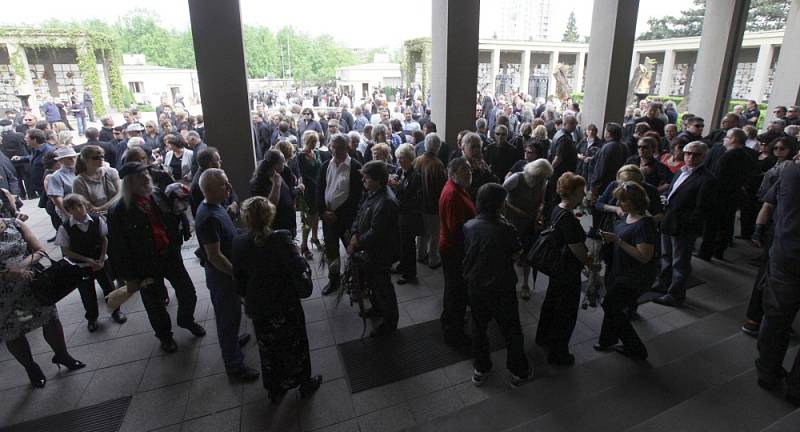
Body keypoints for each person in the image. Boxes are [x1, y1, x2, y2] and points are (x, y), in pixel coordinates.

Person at [232, 196, 322, 403]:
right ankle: (303, 381)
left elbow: (238, 279)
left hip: (260, 308)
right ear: (270, 216)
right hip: (285, 305)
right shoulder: (281, 239)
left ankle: (275, 388)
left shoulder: (238, 243)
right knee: (295, 344)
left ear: (246, 219)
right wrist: (298, 255)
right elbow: (298, 269)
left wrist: (246, 298)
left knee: (268, 349)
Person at [108, 162, 205, 353]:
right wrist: (130, 277)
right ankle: (165, 336)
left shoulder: (157, 195)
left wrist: (181, 232)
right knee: (155, 305)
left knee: (187, 292)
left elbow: (173, 217)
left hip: (170, 255)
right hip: (144, 264)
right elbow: (118, 247)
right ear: (129, 182)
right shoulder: (118, 211)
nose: (146, 178)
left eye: (146, 173)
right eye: (140, 176)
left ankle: (186, 320)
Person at [1, 217, 85, 388]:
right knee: (12, 332)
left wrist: (23, 265)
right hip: (3, 296)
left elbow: (39, 250)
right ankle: (31, 368)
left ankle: (62, 355)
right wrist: (6, 274)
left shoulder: (15, 224)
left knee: (51, 319)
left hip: (33, 285)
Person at [194, 169, 259, 381]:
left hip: (227, 273)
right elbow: (214, 256)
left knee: (232, 316)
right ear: (208, 189)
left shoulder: (216, 207)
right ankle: (234, 365)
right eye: (223, 185)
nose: (229, 188)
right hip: (222, 277)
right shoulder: (208, 217)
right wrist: (236, 275)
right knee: (227, 319)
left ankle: (232, 341)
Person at [464, 183, 530, 388]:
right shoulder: (506, 229)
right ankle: (518, 371)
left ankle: (481, 368)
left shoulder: (469, 225)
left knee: (479, 328)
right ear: (499, 204)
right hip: (501, 286)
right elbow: (517, 254)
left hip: (475, 285)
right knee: (511, 329)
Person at [535, 172, 595, 366]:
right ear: (574, 193)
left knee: (551, 303)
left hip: (557, 268)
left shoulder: (557, 209)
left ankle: (543, 337)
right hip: (567, 271)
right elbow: (576, 248)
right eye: (581, 191)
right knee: (565, 312)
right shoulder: (568, 218)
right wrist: (589, 263)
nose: (584, 194)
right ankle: (558, 352)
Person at [754, 159, 800, 405]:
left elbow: (769, 203)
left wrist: (759, 230)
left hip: (786, 256)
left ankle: (767, 371)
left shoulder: (792, 171)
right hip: (787, 256)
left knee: (775, 318)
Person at [595, 182, 656, 360]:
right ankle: (607, 339)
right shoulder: (627, 216)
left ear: (635, 201)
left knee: (610, 305)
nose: (619, 204)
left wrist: (618, 241)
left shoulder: (645, 224)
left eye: (623, 200)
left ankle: (635, 348)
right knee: (612, 305)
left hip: (634, 276)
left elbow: (644, 256)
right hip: (620, 271)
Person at [652, 141, 716, 307]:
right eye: (688, 153)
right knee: (666, 256)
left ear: (704, 156)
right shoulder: (681, 171)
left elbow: (702, 209)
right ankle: (663, 283)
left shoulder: (707, 179)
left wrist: (687, 226)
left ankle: (676, 295)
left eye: (696, 154)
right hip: (669, 221)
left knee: (679, 262)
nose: (690, 157)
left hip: (683, 227)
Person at [55, 194, 124, 331]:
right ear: (69, 211)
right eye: (74, 208)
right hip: (81, 266)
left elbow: (104, 239)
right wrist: (87, 260)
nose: (80, 210)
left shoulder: (97, 220)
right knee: (87, 293)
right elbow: (66, 251)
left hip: (101, 262)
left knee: (109, 287)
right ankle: (92, 318)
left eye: (81, 206)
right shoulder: (65, 227)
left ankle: (116, 311)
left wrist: (102, 258)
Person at [348, 161, 400, 337]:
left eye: (366, 177)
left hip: (381, 252)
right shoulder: (372, 193)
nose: (363, 180)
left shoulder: (386, 202)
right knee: (373, 284)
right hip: (370, 251)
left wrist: (357, 242)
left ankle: (390, 321)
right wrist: (355, 232)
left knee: (383, 287)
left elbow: (377, 233)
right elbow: (359, 213)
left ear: (378, 180)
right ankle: (378, 308)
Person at [318, 134, 363, 295]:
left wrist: (338, 215)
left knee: (353, 253)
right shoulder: (325, 166)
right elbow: (320, 191)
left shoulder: (356, 167)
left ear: (346, 147)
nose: (335, 150)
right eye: (333, 146)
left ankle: (358, 283)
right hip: (329, 219)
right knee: (331, 252)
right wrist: (324, 211)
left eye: (339, 146)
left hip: (346, 220)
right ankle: (334, 280)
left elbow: (356, 198)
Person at [439, 157, 476, 346]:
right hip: (455, 251)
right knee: (457, 292)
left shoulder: (457, 188)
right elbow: (456, 230)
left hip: (452, 248)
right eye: (464, 169)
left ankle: (448, 319)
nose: (469, 172)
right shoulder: (453, 194)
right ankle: (454, 333)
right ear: (453, 172)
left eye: (469, 169)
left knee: (452, 289)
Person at [503, 159, 553, 300]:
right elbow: (500, 195)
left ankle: (525, 284)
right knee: (510, 253)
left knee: (528, 254)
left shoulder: (543, 182)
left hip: (529, 222)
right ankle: (508, 283)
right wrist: (515, 210)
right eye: (541, 177)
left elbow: (542, 200)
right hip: (512, 221)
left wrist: (541, 208)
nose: (542, 180)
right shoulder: (517, 178)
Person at [415, 133, 447, 269]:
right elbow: (442, 188)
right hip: (433, 205)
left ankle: (420, 255)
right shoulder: (438, 165)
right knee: (434, 234)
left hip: (419, 204)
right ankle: (433, 259)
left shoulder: (417, 160)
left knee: (421, 232)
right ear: (438, 147)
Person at [250, 149, 297, 237]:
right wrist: (276, 185)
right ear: (275, 164)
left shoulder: (280, 173)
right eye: (283, 162)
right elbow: (269, 206)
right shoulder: (259, 182)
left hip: (288, 223)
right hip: (276, 226)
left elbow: (288, 194)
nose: (285, 164)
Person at [394, 144, 423, 284]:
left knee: (408, 246)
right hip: (401, 215)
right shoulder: (400, 172)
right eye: (398, 157)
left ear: (410, 159)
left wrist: (398, 193)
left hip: (409, 216)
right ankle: (402, 266)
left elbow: (416, 199)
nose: (399, 160)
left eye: (402, 158)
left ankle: (409, 273)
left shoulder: (416, 176)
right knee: (400, 243)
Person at [12, 128, 53, 199]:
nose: (25, 139)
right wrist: (21, 158)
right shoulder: (35, 149)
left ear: (34, 140)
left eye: (27, 138)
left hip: (47, 188)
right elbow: (32, 157)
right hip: (40, 188)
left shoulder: (48, 152)